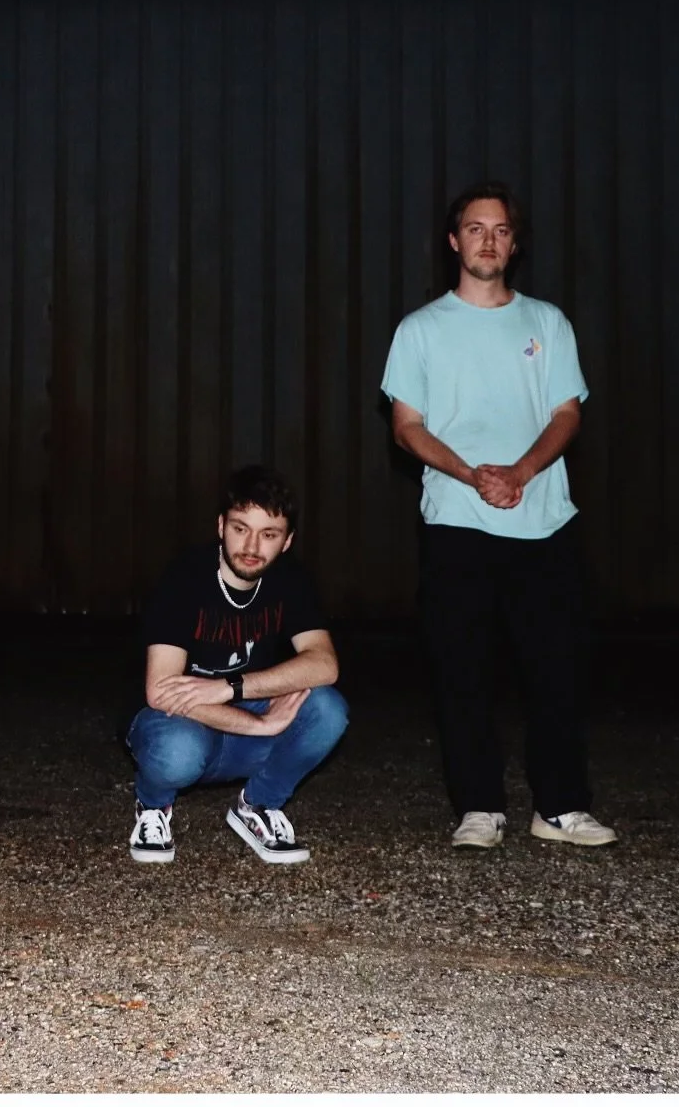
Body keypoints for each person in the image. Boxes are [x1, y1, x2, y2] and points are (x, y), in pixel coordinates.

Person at [380, 180, 617, 850]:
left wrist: (520, 473)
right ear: (454, 241)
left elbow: (567, 412)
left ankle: (561, 806)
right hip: (457, 523)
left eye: (501, 230)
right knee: (462, 670)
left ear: (514, 244)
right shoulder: (421, 329)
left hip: (543, 521)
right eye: (476, 229)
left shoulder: (547, 323)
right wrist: (473, 474)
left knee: (557, 669)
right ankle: (479, 807)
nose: (489, 240)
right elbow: (407, 426)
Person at [126, 466, 349, 865]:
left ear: (287, 542)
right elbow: (161, 690)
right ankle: (153, 805)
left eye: (269, 534)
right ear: (220, 526)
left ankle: (259, 805)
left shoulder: (290, 580)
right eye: (240, 528)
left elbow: (324, 663)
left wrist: (232, 687)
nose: (251, 545)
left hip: (235, 708)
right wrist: (260, 724)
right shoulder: (186, 576)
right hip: (178, 720)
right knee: (177, 751)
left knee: (327, 708)